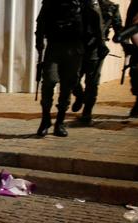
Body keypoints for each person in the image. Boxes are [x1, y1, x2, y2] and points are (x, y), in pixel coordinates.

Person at [35, 0, 102, 137]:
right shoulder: (51, 2)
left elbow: (96, 22)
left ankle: (59, 122)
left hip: (75, 48)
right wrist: (39, 42)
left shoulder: (84, 3)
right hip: (54, 47)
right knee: (49, 81)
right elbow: (41, 22)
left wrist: (100, 44)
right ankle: (45, 119)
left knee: (68, 85)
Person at [71, 0, 122, 124]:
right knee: (72, 78)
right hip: (78, 46)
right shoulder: (80, 3)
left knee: (92, 82)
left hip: (97, 48)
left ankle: (87, 114)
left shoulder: (111, 8)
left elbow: (118, 28)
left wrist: (121, 38)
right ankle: (80, 96)